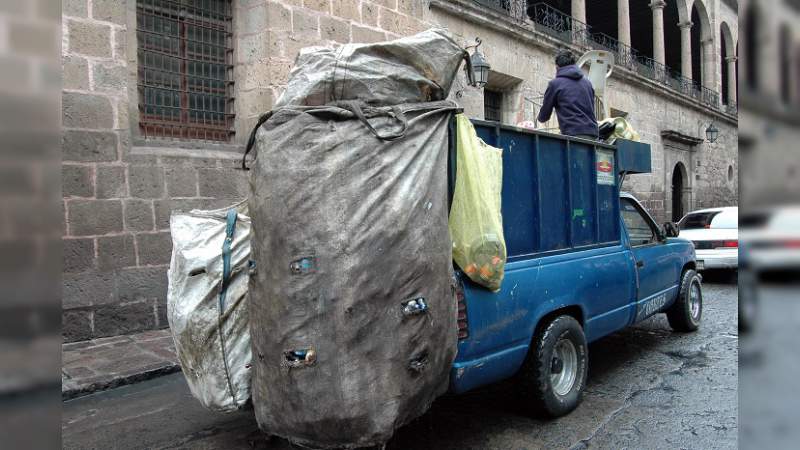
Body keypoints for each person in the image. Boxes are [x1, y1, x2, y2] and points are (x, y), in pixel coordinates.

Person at [537, 49, 599, 140]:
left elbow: (544, 116)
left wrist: (539, 118)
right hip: (592, 134)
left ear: (557, 67)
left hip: (573, 134)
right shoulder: (588, 83)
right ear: (574, 64)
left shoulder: (555, 84)